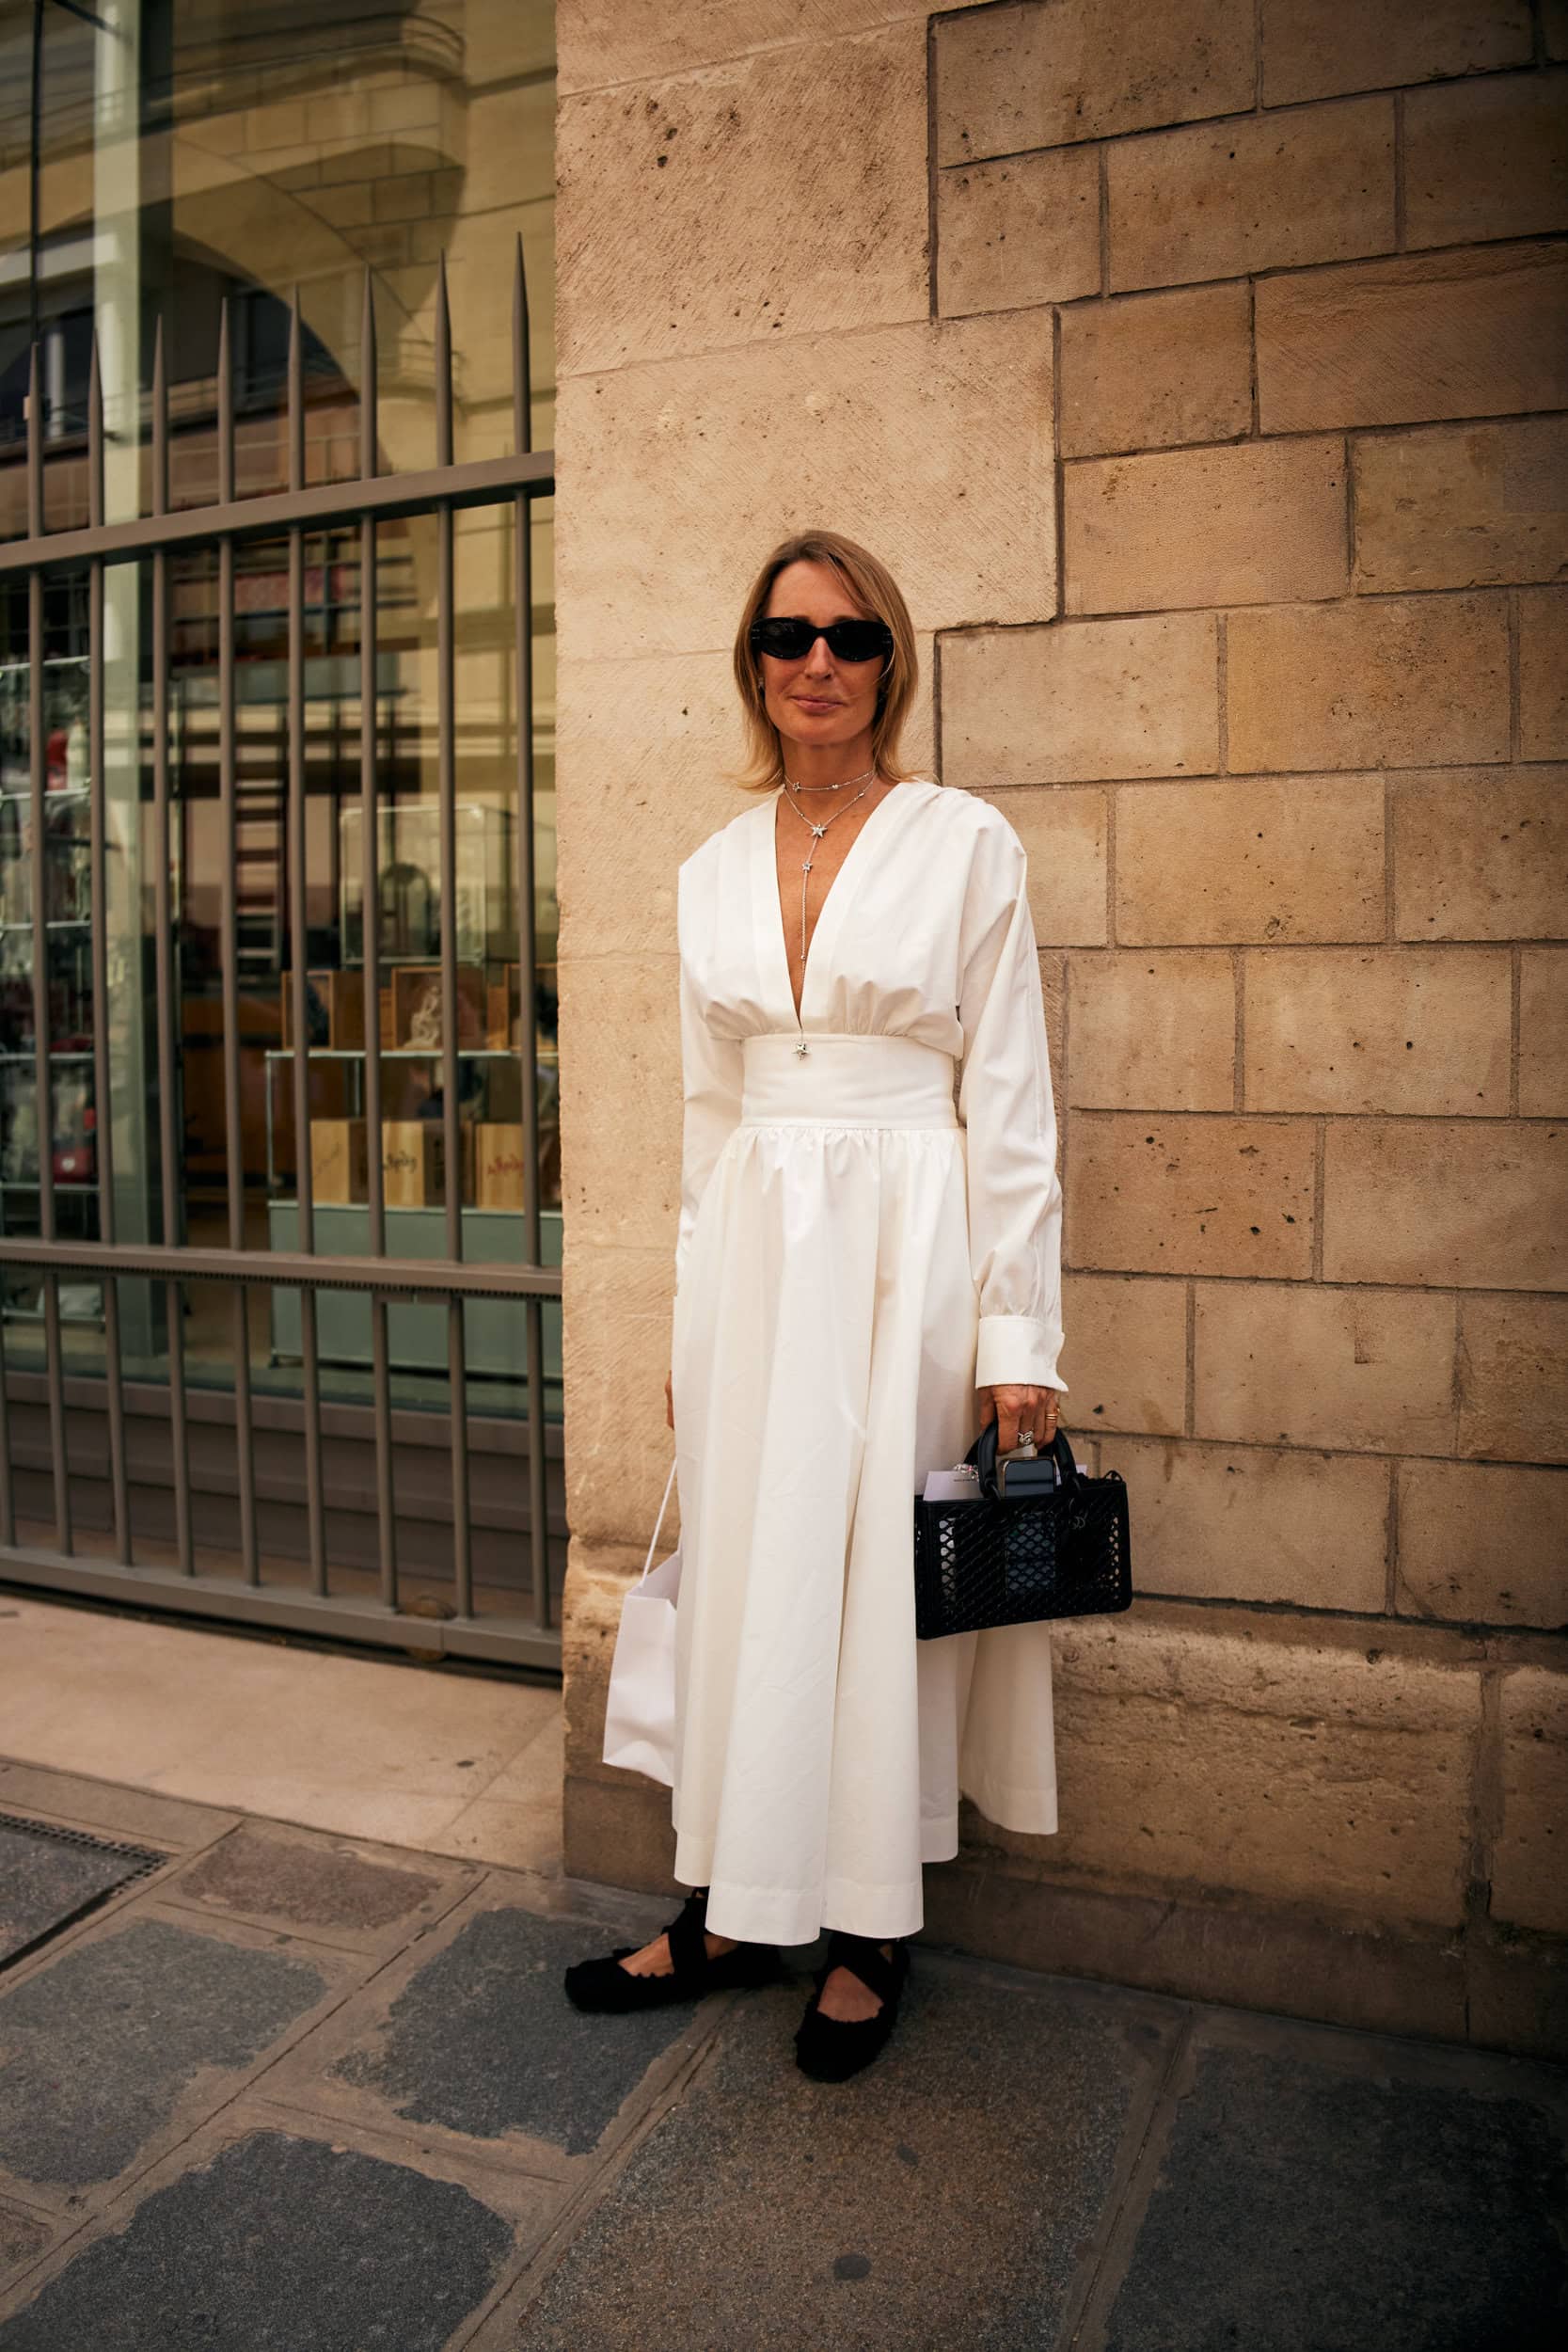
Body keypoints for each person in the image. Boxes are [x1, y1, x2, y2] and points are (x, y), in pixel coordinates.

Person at [565, 531, 1065, 2081]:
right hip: (757, 1266)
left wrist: (1018, 1338)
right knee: (750, 1581)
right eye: (790, 638)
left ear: (889, 663)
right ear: (755, 665)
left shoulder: (964, 841)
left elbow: (1012, 1099)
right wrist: (688, 1318)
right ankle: (730, 1906)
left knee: (874, 1582)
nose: (820, 664)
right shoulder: (709, 869)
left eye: (852, 638)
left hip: (909, 1249)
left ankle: (865, 1930)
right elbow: (708, 1116)